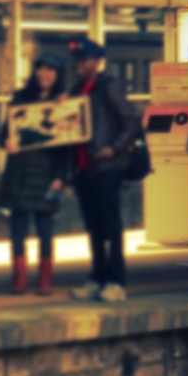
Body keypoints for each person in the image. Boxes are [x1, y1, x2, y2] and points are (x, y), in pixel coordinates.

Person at [68, 39, 140, 303]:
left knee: (110, 225)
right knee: (94, 227)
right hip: (84, 168)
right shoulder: (77, 90)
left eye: (85, 60)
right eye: (78, 60)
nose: (80, 65)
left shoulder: (108, 87)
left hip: (108, 167)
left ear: (96, 62)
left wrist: (115, 147)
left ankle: (116, 281)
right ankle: (97, 278)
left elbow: (131, 120)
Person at [0, 54, 71, 295]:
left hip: (48, 172)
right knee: (18, 227)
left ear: (58, 75)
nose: (45, 74)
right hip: (20, 171)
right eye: (42, 69)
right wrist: (7, 142)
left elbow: (67, 143)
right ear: (36, 72)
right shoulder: (20, 98)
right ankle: (19, 277)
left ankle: (45, 278)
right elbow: (3, 134)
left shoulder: (64, 103)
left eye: (51, 70)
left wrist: (62, 176)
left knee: (45, 227)